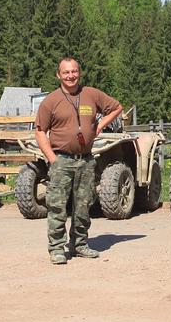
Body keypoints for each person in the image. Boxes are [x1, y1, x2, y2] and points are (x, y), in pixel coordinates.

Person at [35, 57, 123, 265]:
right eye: (66, 72)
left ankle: (80, 243)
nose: (70, 76)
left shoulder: (91, 94)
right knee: (57, 206)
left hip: (86, 161)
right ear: (58, 75)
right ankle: (57, 248)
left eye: (74, 71)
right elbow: (40, 132)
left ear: (79, 73)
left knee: (84, 204)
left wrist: (101, 124)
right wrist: (52, 159)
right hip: (62, 161)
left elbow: (117, 107)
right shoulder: (51, 101)